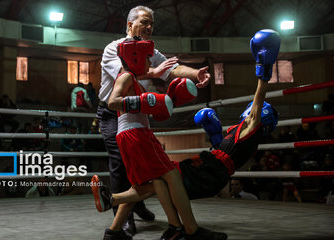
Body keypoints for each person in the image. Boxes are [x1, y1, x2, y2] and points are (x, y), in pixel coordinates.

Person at [92, 29, 281, 240]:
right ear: (135, 57)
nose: (150, 62)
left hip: (136, 135)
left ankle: (116, 225)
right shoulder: (126, 77)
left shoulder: (132, 77)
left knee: (153, 183)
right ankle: (185, 229)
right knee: (168, 178)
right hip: (138, 136)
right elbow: (114, 101)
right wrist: (264, 73)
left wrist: (163, 94)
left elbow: (143, 85)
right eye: (146, 58)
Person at [97, 5, 211, 236]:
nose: (149, 27)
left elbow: (172, 68)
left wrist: (195, 74)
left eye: (151, 23)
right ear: (130, 25)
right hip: (114, 113)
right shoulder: (115, 48)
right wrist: (155, 72)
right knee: (124, 163)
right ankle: (125, 216)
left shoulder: (150, 50)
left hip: (140, 114)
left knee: (150, 172)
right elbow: (128, 75)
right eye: (144, 22)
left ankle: (133, 209)